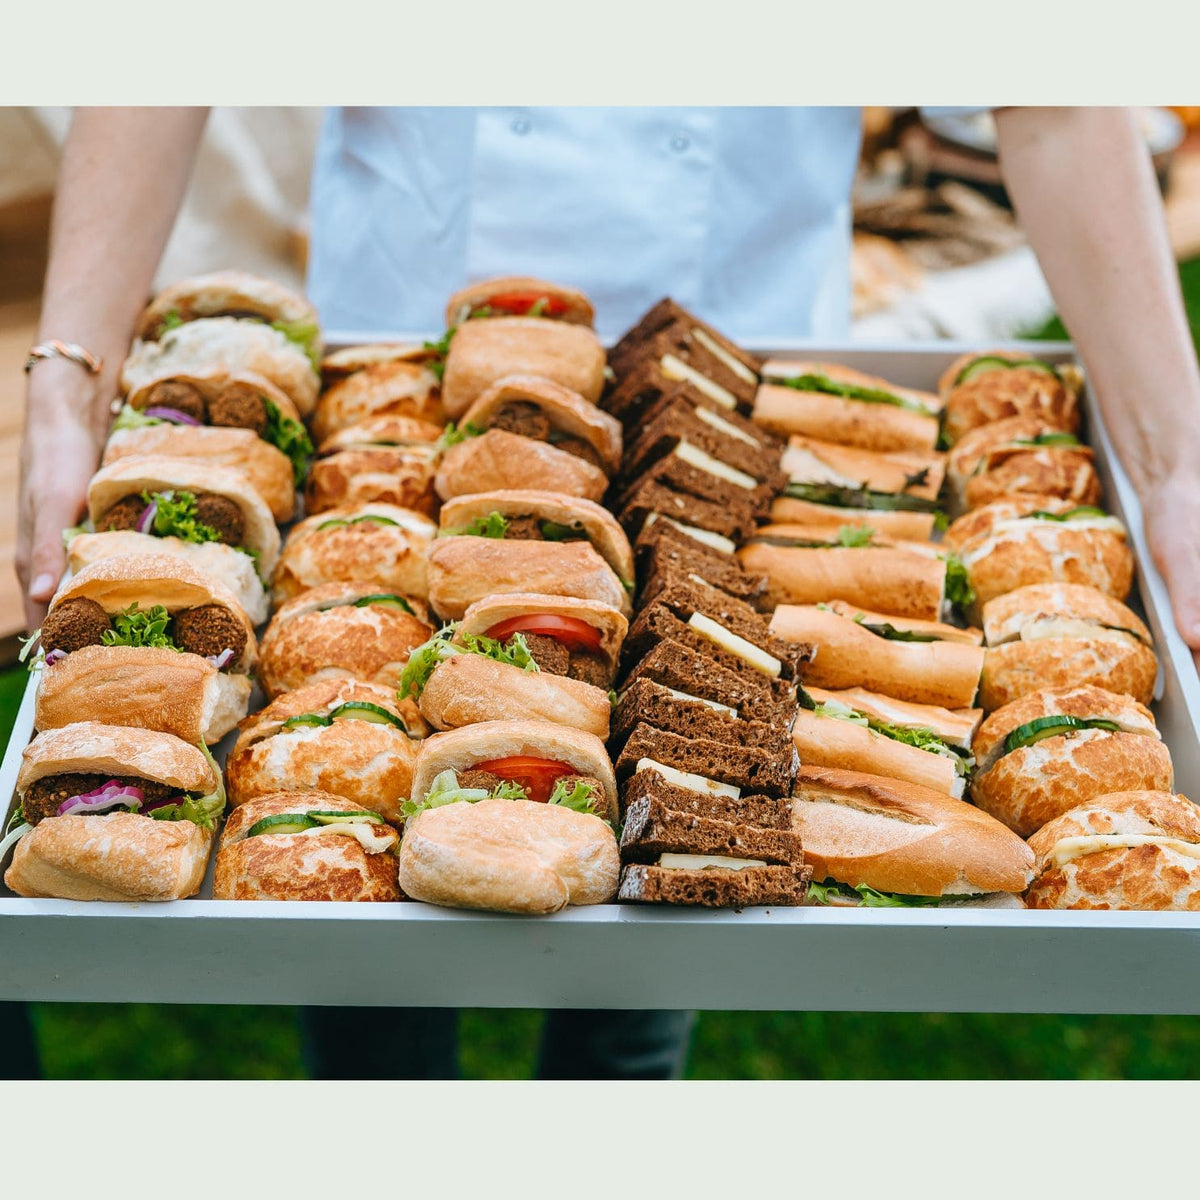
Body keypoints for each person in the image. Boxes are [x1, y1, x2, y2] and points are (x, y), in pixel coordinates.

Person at [15, 106, 1200, 1079]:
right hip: (422, 312)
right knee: (370, 953)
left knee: (664, 899)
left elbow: (1052, 88)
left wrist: (1176, 464)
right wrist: (70, 380)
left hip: (737, 329)